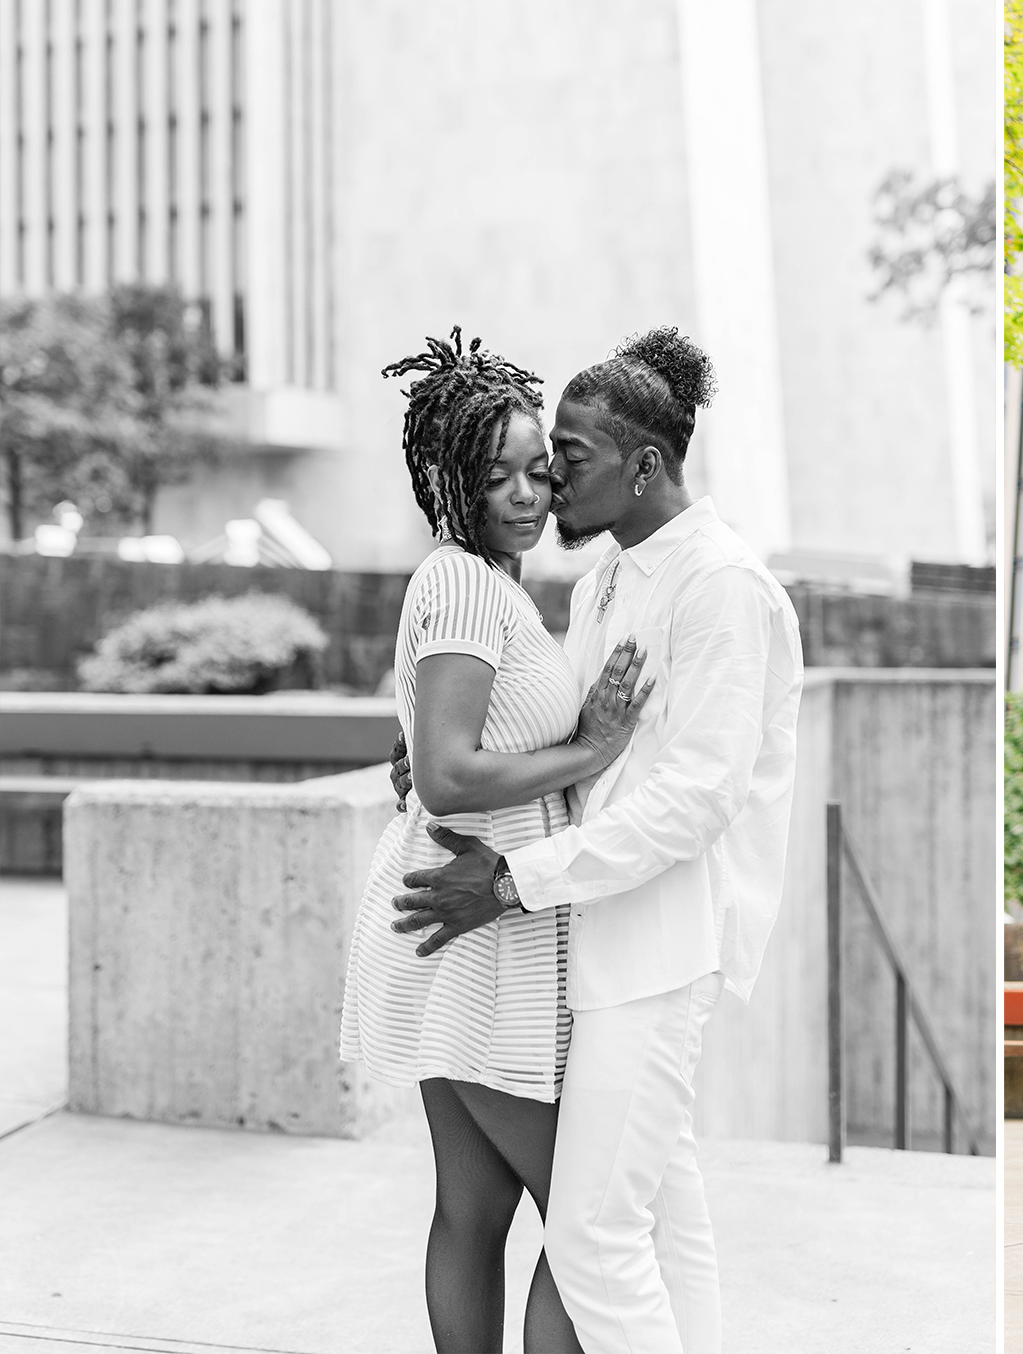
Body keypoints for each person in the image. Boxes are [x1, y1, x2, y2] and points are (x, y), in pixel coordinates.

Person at [388, 326, 805, 1354]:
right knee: (666, 1219)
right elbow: (572, 742)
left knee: (594, 1236)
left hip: (656, 951)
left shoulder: (720, 586)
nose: (548, 484)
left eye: (564, 461)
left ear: (644, 464)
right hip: (584, 939)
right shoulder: (605, 581)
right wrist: (433, 750)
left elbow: (696, 796)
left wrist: (515, 882)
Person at [339, 328, 656, 1353]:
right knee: (588, 1221)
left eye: (540, 473)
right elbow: (447, 774)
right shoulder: (470, 584)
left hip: (478, 921)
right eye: (498, 478)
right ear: (448, 482)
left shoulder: (478, 583)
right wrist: (592, 749)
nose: (528, 496)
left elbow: (440, 743)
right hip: (471, 934)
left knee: (473, 1214)